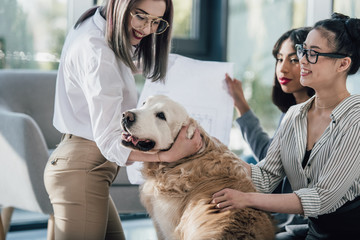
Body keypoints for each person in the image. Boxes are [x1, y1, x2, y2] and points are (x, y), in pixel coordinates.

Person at [43, 0, 202, 239]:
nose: (147, 29)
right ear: (120, 5)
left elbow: (112, 68)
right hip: (82, 168)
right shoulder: (98, 52)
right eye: (141, 16)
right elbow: (108, 141)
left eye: (156, 22)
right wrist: (166, 156)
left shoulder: (96, 23)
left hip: (83, 167)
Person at [212, 13, 360, 240]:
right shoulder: (294, 115)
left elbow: (322, 198)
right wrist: (217, 155)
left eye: (313, 54)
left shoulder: (356, 119)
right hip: (316, 232)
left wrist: (247, 199)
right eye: (303, 50)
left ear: (343, 63)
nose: (302, 60)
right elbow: (265, 177)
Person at [225, 27, 314, 163]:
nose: (282, 69)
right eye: (279, 59)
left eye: (294, 60)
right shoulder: (290, 112)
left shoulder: (316, 116)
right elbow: (269, 156)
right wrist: (240, 103)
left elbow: (269, 161)